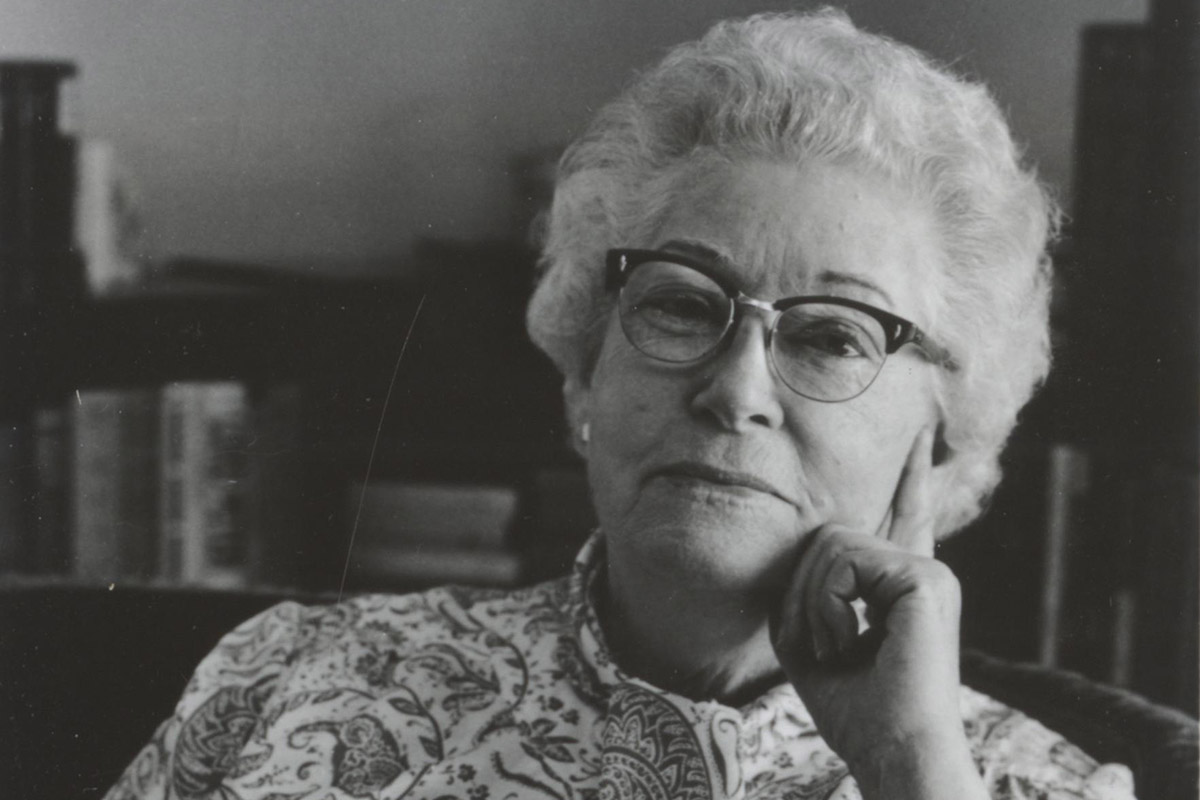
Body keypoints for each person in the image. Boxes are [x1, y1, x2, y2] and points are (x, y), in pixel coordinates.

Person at [105, 10, 1136, 800]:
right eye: (683, 306)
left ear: (942, 441)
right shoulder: (293, 677)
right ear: (582, 373)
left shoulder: (1040, 788)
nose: (735, 390)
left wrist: (910, 762)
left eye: (831, 337)